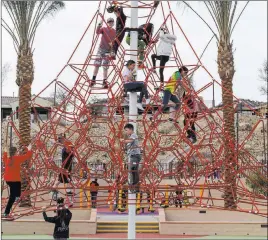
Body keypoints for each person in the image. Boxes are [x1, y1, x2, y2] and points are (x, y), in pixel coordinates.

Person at [2, 144, 33, 220]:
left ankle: (14, 200)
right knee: (15, 194)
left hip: (8, 180)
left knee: (15, 191)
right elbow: (27, 156)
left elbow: (4, 158)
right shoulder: (17, 158)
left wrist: (5, 151)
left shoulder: (8, 159)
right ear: (15, 152)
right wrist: (29, 149)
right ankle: (7, 211)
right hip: (14, 180)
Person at [91, 17, 116, 89]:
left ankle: (104, 81)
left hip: (108, 50)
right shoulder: (104, 29)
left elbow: (115, 41)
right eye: (109, 22)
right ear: (107, 23)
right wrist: (99, 24)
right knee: (97, 64)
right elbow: (97, 32)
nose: (110, 23)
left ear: (113, 23)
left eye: (112, 22)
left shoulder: (114, 31)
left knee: (105, 66)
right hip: (101, 49)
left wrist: (112, 49)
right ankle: (93, 80)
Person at [120, 124, 141, 192]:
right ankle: (136, 187)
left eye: (126, 130)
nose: (126, 132)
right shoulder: (130, 136)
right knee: (134, 171)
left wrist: (123, 140)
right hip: (133, 156)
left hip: (134, 156)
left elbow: (130, 141)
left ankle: (132, 187)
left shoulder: (133, 135)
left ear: (131, 129)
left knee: (131, 171)